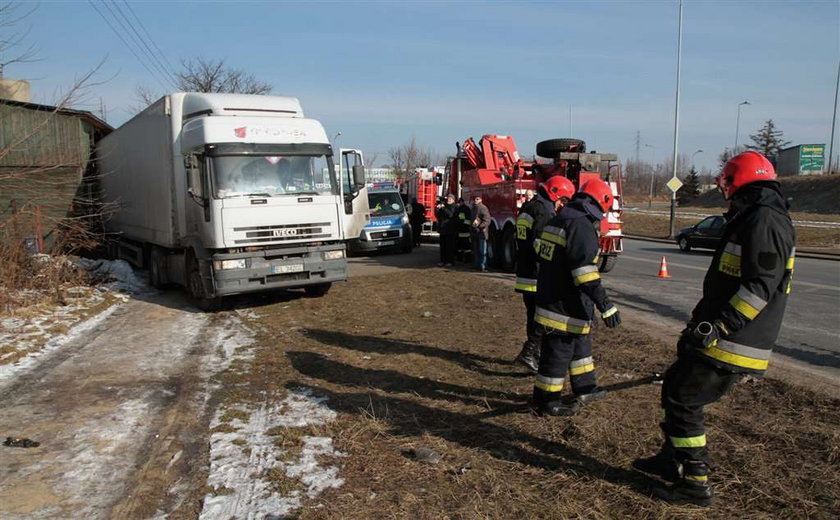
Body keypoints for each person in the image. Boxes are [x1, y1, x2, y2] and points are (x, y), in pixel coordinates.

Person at [634, 151, 795, 507]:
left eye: (726, 182)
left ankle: (695, 482)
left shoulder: (765, 220)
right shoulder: (752, 216)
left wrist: (721, 325)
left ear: (738, 182)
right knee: (675, 388)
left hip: (733, 340)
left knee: (684, 400)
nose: (724, 190)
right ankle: (671, 460)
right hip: (720, 333)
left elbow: (760, 288)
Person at [532, 179, 621, 416]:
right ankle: (547, 402)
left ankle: (586, 388)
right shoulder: (580, 226)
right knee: (557, 354)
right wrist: (606, 305)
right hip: (564, 306)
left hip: (554, 297)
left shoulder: (559, 219)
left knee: (581, 347)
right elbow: (585, 274)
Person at [514, 176, 575, 373]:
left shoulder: (529, 206)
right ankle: (530, 352)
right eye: (562, 201)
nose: (561, 206)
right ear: (555, 194)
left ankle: (534, 355)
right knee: (544, 317)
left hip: (525, 270)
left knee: (533, 315)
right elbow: (540, 243)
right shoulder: (544, 211)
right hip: (537, 273)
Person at [470, 194, 492, 271]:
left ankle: (483, 266)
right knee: (476, 250)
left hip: (482, 233)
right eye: (475, 199)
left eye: (477, 199)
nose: (476, 200)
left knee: (483, 251)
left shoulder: (483, 208)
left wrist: (479, 226)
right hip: (475, 232)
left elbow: (487, 220)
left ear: (481, 200)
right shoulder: (473, 208)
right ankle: (477, 265)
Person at [436, 194, 458, 266]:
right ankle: (443, 261)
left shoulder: (455, 207)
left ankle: (450, 261)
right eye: (448, 198)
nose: (448, 200)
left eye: (450, 199)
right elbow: (438, 216)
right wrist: (437, 209)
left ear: (453, 200)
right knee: (443, 247)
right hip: (443, 230)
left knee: (449, 247)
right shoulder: (444, 206)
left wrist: (443, 208)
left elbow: (450, 215)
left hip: (450, 230)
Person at [455, 197, 472, 263]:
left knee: (462, 246)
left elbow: (462, 219)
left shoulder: (462, 209)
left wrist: (461, 223)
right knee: (465, 246)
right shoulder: (465, 208)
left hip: (462, 229)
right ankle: (466, 259)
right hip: (464, 230)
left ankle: (462, 258)